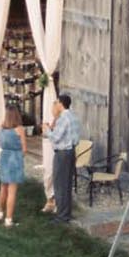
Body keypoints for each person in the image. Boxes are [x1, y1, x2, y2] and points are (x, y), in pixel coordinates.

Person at [47, 92, 80, 224]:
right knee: (67, 184)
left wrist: (47, 130)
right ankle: (67, 213)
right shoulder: (73, 117)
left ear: (61, 104)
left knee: (59, 184)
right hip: (71, 151)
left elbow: (55, 137)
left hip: (62, 154)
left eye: (57, 102)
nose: (56, 104)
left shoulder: (63, 118)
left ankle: (61, 216)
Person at [0, 104, 26, 228]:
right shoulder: (19, 129)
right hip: (15, 159)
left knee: (3, 187)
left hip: (4, 157)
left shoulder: (1, 128)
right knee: (12, 191)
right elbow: (24, 149)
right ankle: (8, 220)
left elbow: (0, 143)